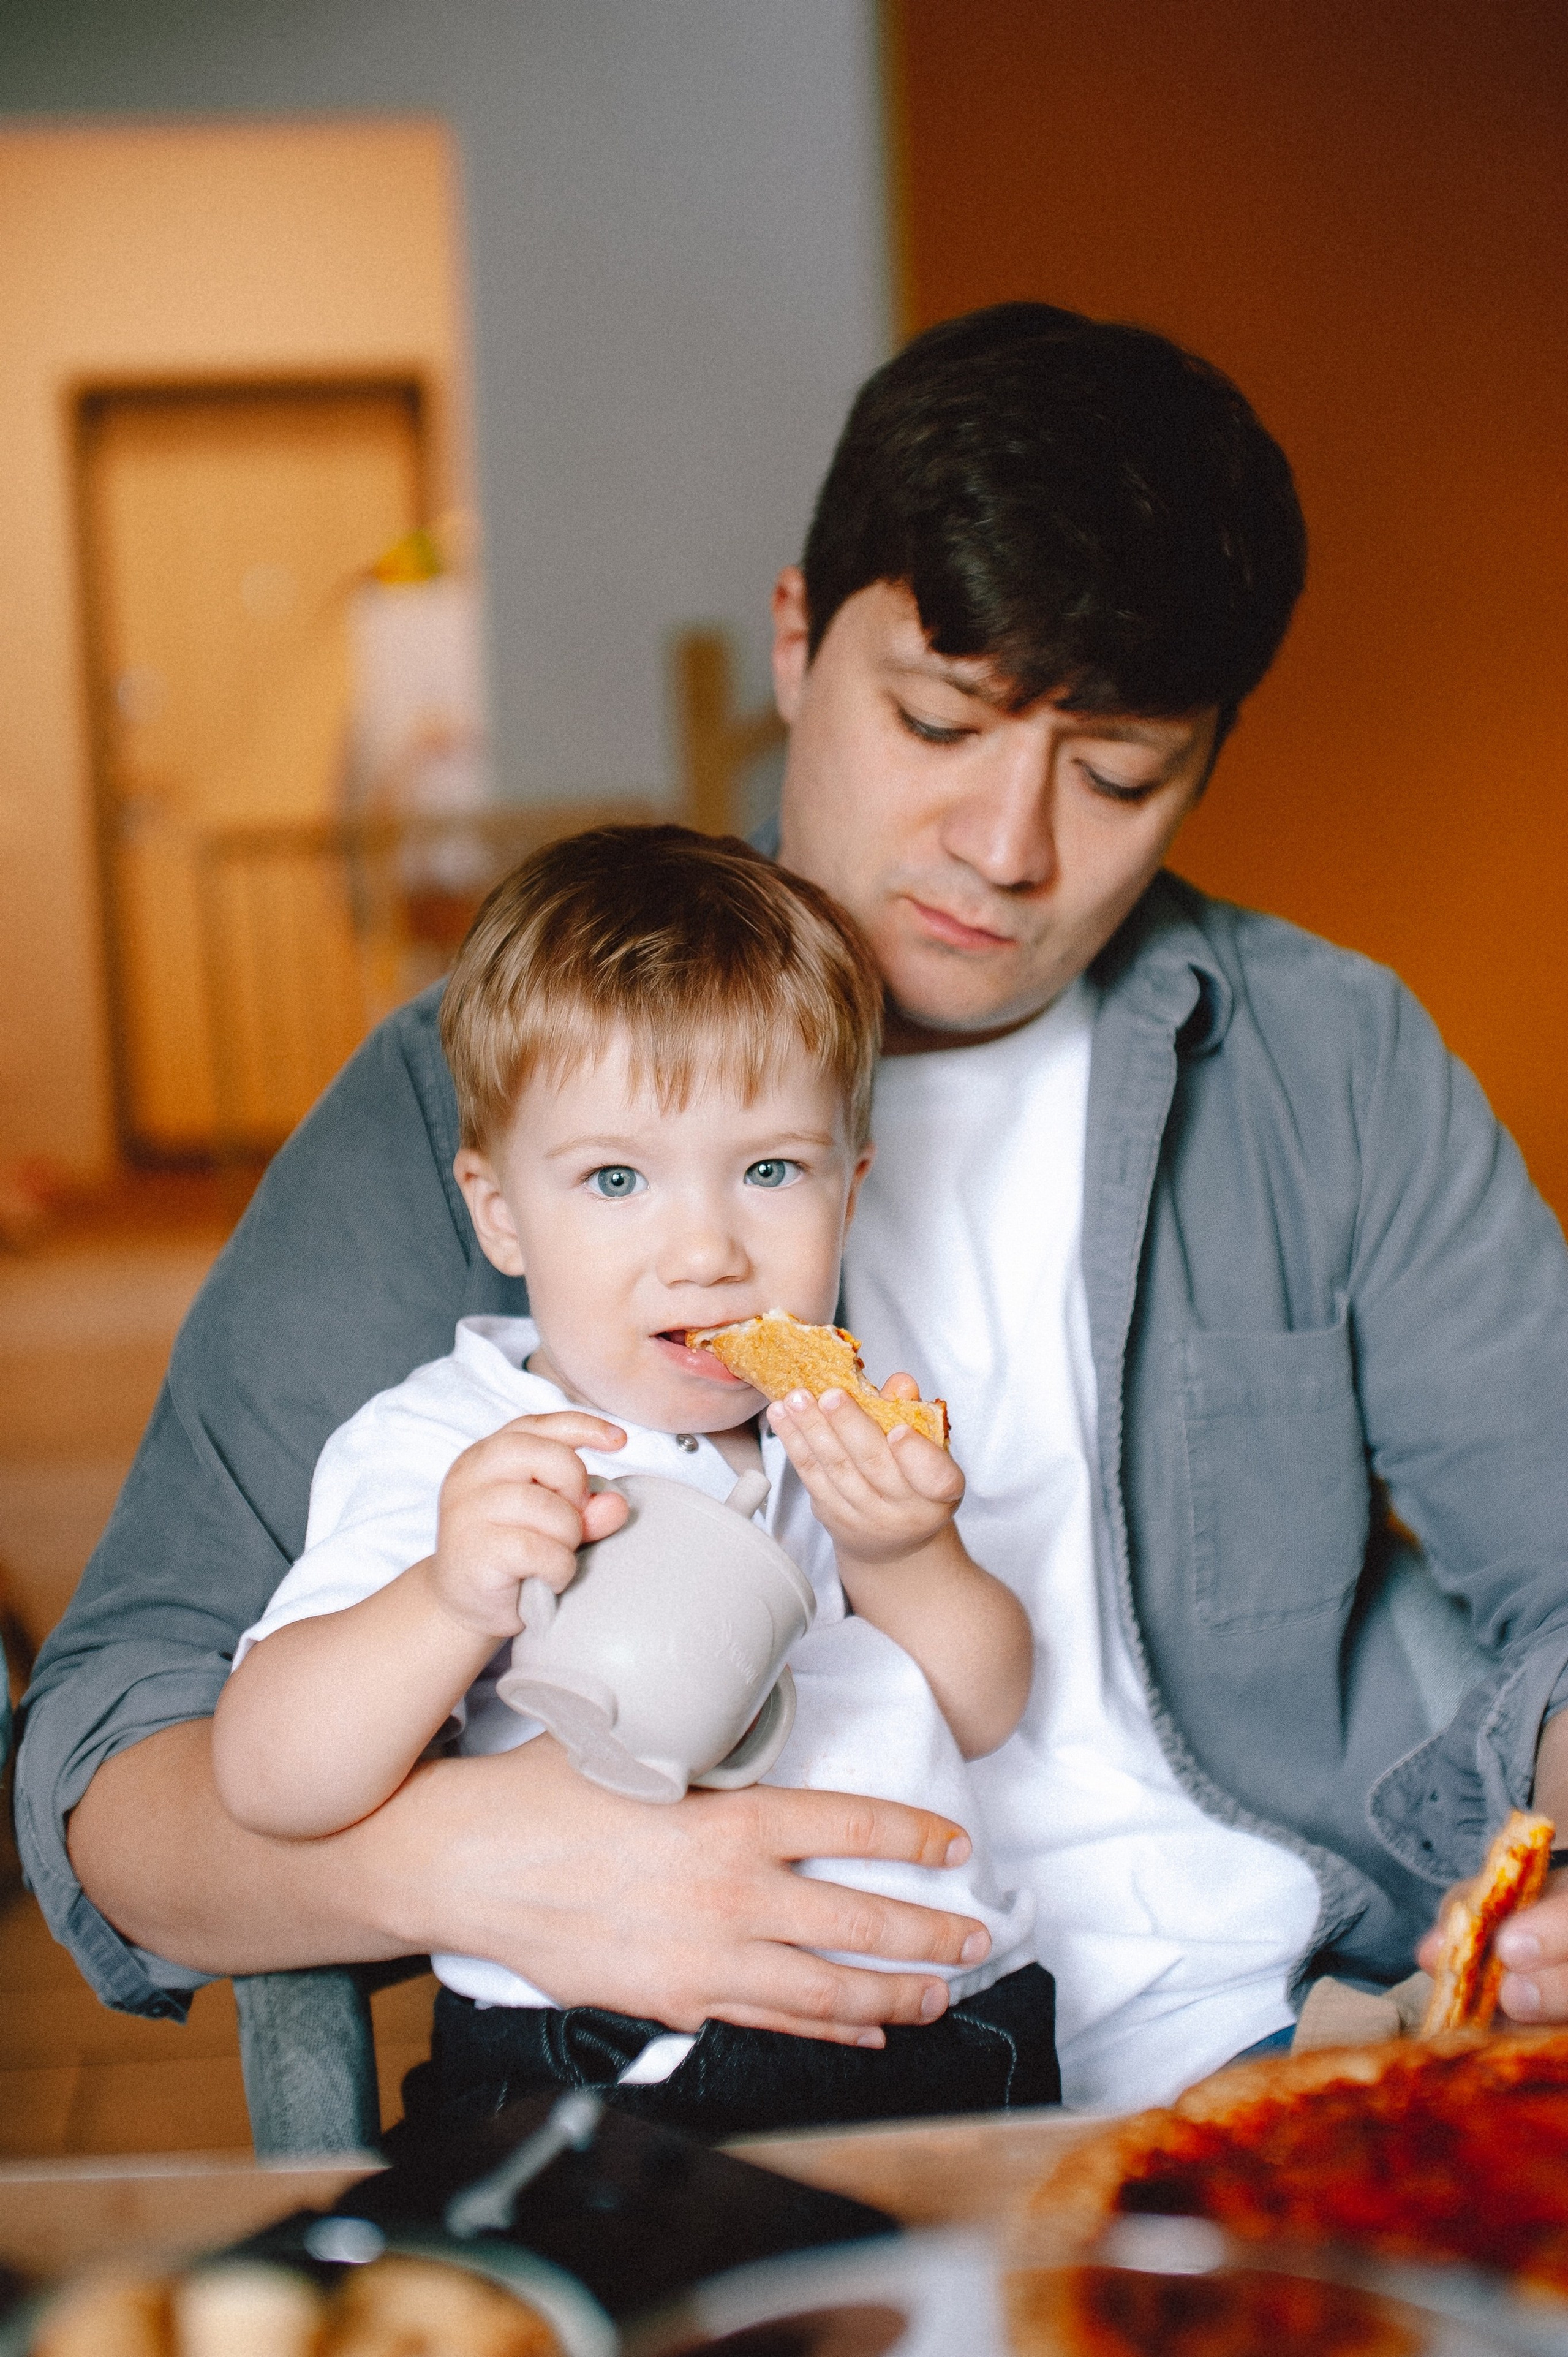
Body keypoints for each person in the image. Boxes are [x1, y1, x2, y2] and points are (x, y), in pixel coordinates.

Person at [20, 303, 1568, 2114]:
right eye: (935, 722)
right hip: (710, 2083)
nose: (1008, 844)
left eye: (1119, 773)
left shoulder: (1330, 1062)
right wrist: (444, 1858)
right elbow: (104, 1766)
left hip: (1284, 2034)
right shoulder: (487, 1091)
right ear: (794, 639)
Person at [208, 826, 1051, 2134]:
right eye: (614, 1178)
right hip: (602, 2057)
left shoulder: (831, 1422)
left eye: (771, 1170)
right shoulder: (455, 1443)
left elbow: (986, 1703)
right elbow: (269, 1777)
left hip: (954, 2036)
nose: (707, 1250)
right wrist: (444, 1598)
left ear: (849, 1187)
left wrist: (904, 1554)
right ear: (497, 1212)